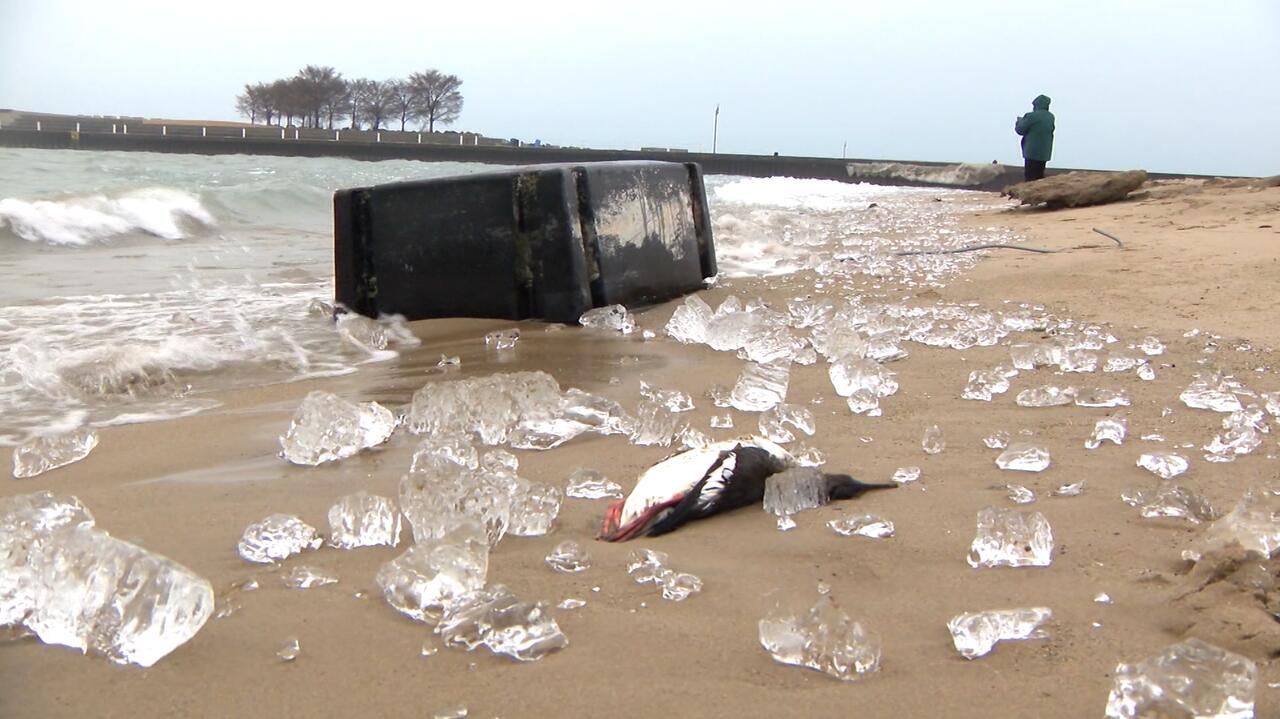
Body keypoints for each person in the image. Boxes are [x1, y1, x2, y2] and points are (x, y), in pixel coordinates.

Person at [1015, 94, 1055, 181]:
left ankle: (1029, 193)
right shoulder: (1050, 117)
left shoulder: (1031, 116)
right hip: (1044, 152)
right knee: (1039, 175)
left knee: (1030, 175)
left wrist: (1019, 122)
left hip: (1032, 151)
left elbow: (1020, 130)